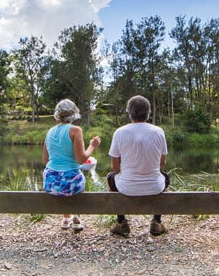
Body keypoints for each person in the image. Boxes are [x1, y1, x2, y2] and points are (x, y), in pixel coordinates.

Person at [107, 95, 169, 237]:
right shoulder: (159, 132)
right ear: (148, 113)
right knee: (166, 177)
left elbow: (115, 167)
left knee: (111, 177)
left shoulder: (119, 132)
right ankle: (157, 221)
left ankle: (121, 222)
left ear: (129, 113)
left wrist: (128, 173)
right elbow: (162, 163)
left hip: (126, 187)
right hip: (155, 186)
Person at [43, 99, 101, 231]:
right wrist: (92, 146)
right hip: (70, 184)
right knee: (74, 178)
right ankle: (76, 218)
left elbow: (45, 160)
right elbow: (81, 159)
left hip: (50, 183)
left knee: (63, 177)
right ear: (74, 113)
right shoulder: (75, 130)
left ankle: (65, 218)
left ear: (57, 114)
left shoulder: (50, 132)